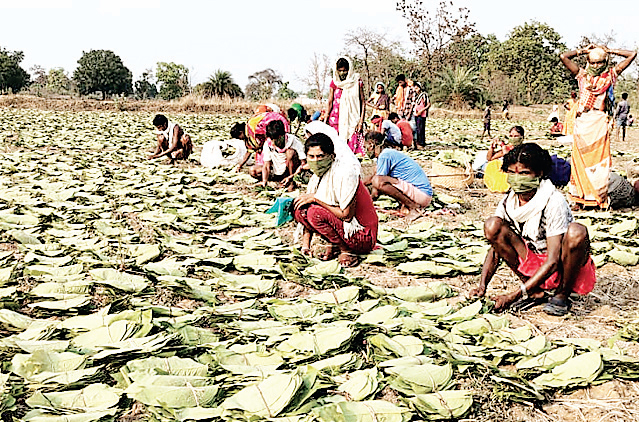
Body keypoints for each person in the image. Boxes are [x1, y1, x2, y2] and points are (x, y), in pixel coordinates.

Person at [470, 143, 596, 316]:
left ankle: (562, 294)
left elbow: (552, 260)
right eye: (512, 173)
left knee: (576, 232)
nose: (517, 178)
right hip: (533, 260)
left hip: (560, 264)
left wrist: (514, 295)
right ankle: (535, 290)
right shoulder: (509, 201)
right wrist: (482, 285)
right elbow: (495, 248)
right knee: (493, 225)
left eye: (524, 173)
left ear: (540, 174)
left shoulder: (553, 201)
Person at [560, 44, 636, 208]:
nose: (596, 66)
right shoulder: (581, 75)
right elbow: (563, 57)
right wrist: (582, 51)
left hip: (599, 123)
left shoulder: (611, 75)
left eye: (600, 62)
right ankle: (578, 197)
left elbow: (632, 54)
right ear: (588, 61)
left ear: (605, 62)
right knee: (579, 161)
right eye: (593, 62)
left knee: (598, 163)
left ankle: (596, 197)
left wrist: (611, 51)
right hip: (583, 122)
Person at [293, 133, 378, 267]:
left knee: (314, 213)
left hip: (362, 235)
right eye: (311, 157)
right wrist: (305, 246)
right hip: (343, 229)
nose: (316, 161)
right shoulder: (316, 177)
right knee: (300, 209)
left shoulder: (345, 173)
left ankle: (347, 250)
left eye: (320, 156)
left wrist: (316, 198)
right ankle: (333, 245)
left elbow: (346, 215)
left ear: (332, 156)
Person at [363, 131, 433, 218]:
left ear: (371, 145)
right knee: (377, 178)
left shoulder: (384, 156)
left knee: (378, 181)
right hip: (423, 194)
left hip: (422, 194)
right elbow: (373, 177)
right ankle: (408, 204)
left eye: (365, 147)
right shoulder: (387, 153)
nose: (365, 150)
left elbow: (376, 186)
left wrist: (367, 201)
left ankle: (413, 207)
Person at [325, 56, 366, 155]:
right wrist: (326, 117)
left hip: (352, 119)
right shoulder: (334, 83)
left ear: (349, 70)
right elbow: (330, 101)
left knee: (352, 150)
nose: (342, 73)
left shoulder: (356, 81)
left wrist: (361, 121)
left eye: (345, 70)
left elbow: (363, 102)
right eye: (340, 70)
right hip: (336, 120)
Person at [232, 112, 290, 176]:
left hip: (278, 126)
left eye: (239, 138)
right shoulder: (249, 134)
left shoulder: (253, 126)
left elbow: (267, 133)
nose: (240, 139)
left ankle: (285, 171)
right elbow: (250, 150)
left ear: (240, 133)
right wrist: (240, 165)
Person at [255, 120, 306, 190]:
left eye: (276, 139)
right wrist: (264, 181)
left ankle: (292, 182)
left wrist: (293, 176)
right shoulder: (268, 143)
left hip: (291, 170)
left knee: (290, 152)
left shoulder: (293, 140)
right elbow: (266, 165)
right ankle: (279, 180)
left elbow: (303, 162)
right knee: (254, 170)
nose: (273, 142)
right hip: (277, 170)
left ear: (282, 136)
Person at [414, 83, 431, 150]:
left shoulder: (424, 95)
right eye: (415, 88)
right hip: (416, 114)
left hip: (422, 114)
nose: (416, 90)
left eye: (417, 88)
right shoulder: (416, 96)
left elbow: (428, 104)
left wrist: (421, 110)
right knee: (417, 129)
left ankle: (421, 143)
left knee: (421, 129)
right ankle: (418, 143)